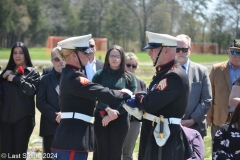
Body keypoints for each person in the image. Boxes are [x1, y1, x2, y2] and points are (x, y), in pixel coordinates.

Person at [50, 34, 132, 160]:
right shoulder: (74, 78)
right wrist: (124, 94)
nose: (88, 55)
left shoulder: (72, 74)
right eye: (84, 53)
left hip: (74, 137)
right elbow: (100, 92)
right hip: (72, 139)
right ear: (73, 55)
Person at [125, 31, 193, 160]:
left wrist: (135, 97)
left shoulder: (173, 75)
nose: (150, 53)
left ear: (166, 50)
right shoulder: (164, 72)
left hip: (165, 138)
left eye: (153, 50)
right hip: (157, 135)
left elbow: (150, 103)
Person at [92, 45, 137, 160]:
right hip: (101, 117)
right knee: (102, 152)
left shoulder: (130, 77)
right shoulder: (99, 75)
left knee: (115, 153)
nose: (114, 58)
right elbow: (95, 95)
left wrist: (114, 115)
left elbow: (130, 99)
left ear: (122, 58)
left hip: (121, 118)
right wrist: (107, 110)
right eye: (112, 56)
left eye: (117, 56)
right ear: (107, 57)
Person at [0, 42, 40, 159]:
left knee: (18, 155)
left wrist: (15, 79)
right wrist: (1, 78)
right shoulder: (6, 72)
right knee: (5, 155)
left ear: (25, 55)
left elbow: (31, 90)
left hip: (23, 119)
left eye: (21, 53)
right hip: (5, 120)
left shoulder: (32, 72)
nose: (18, 56)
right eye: (15, 53)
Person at [175, 34, 212, 138]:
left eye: (184, 49)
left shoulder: (202, 71)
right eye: (177, 49)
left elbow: (207, 99)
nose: (181, 53)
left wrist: (192, 120)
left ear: (190, 49)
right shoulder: (167, 71)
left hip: (196, 127)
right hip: (172, 127)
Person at [207, 39, 240, 139]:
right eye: (234, 52)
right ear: (228, 52)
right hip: (219, 116)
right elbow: (209, 93)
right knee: (218, 150)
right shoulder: (216, 69)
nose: (237, 55)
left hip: (239, 117)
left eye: (239, 53)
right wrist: (208, 116)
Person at [36, 48, 65, 160]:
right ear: (52, 61)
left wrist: (66, 114)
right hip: (50, 127)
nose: (61, 62)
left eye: (63, 58)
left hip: (69, 127)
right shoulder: (45, 79)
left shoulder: (75, 77)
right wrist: (55, 116)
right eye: (57, 59)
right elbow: (40, 102)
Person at [122, 52, 147, 160]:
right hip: (118, 120)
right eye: (128, 65)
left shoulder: (141, 83)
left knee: (128, 153)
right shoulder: (117, 81)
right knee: (115, 152)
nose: (131, 68)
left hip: (134, 122)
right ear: (123, 65)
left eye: (134, 66)